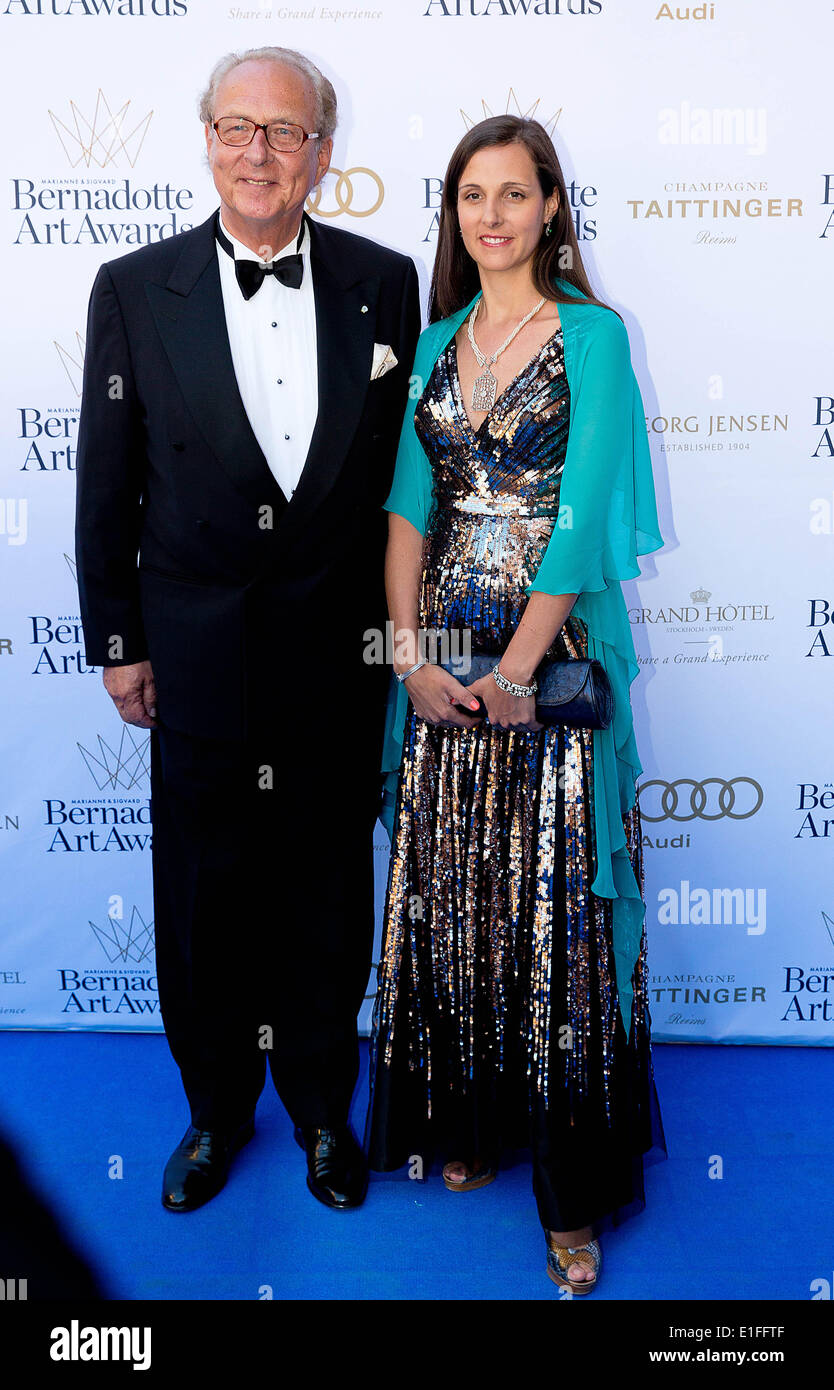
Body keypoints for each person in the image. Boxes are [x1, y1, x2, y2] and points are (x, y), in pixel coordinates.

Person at [75, 46, 420, 1213]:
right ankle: (216, 1114)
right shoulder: (133, 286)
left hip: (335, 652)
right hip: (195, 651)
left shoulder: (388, 281)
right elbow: (104, 482)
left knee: (326, 890)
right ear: (208, 141)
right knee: (205, 896)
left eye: (284, 131)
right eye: (237, 128)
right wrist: (117, 639)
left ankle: (324, 1113)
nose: (259, 153)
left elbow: (395, 482)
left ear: (323, 150)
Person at [365, 115, 667, 1293]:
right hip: (443, 663)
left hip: (548, 671)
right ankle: (475, 1121)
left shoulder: (592, 339)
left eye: (514, 193)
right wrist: (409, 656)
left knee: (553, 915)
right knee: (456, 896)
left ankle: (571, 1192)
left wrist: (516, 673)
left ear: (551, 208)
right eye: (470, 195)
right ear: (454, 214)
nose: (490, 214)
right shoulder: (435, 339)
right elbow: (405, 512)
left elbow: (583, 516)